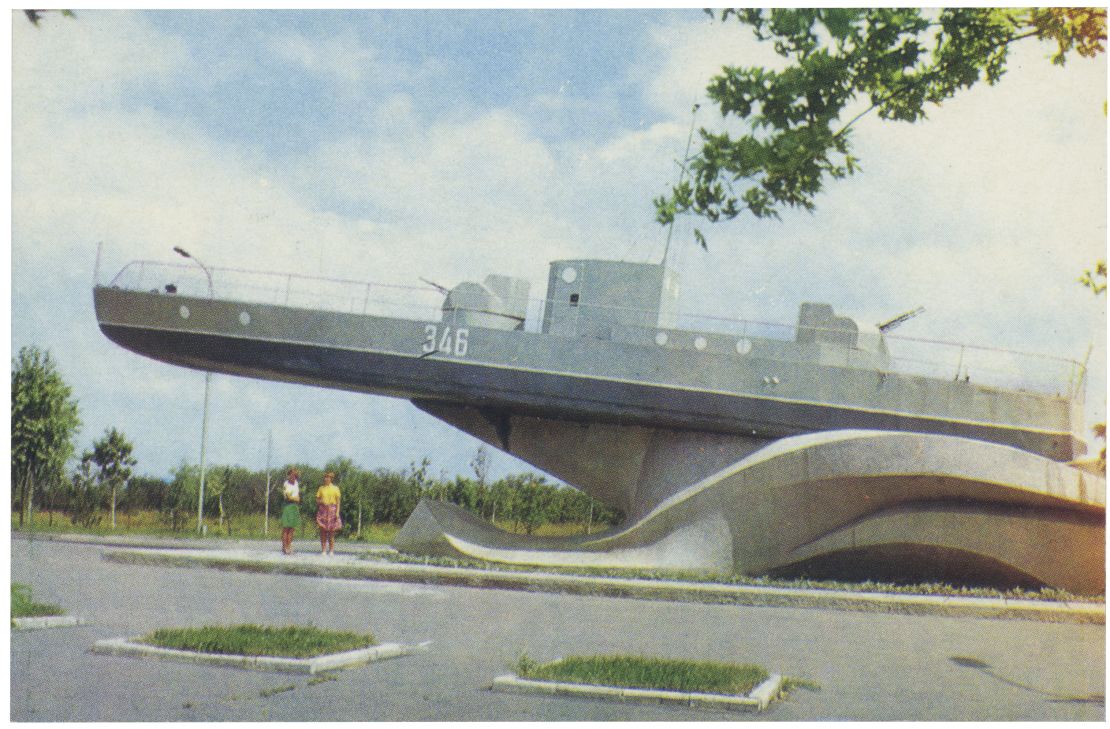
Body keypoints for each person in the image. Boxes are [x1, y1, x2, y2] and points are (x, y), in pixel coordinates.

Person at [315, 471, 342, 556]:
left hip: (332, 510)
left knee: (331, 531)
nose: (326, 479)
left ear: (331, 479)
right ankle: (323, 550)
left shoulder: (336, 488)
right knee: (322, 531)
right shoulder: (321, 488)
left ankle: (331, 550)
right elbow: (317, 500)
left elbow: (338, 502)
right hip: (323, 510)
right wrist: (320, 501)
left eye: (328, 477)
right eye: (325, 477)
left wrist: (337, 512)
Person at [279, 468, 301, 555]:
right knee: (286, 527)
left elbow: (298, 497)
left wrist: (295, 498)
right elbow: (287, 497)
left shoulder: (296, 484)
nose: (293, 477)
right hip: (287, 507)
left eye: (295, 475)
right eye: (291, 475)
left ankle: (289, 544)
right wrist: (294, 498)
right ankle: (285, 546)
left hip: (294, 507)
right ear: (289, 475)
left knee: (292, 528)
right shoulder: (286, 484)